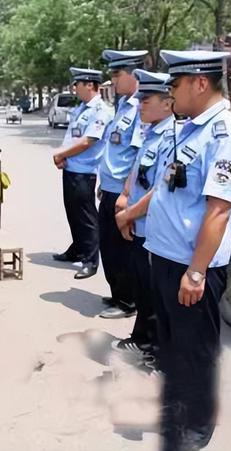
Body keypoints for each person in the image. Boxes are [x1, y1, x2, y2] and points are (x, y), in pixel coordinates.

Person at [144, 50, 231, 450]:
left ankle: (196, 429)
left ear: (200, 83)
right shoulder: (189, 128)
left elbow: (218, 211)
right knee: (173, 346)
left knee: (196, 352)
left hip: (192, 267)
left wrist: (196, 271)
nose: (170, 93)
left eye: (175, 85)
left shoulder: (225, 135)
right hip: (167, 259)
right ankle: (177, 411)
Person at [112, 69, 174, 358]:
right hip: (139, 225)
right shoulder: (151, 132)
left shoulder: (172, 138)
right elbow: (137, 173)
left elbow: (159, 191)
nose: (140, 105)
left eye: (146, 99)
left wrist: (128, 215)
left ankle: (154, 348)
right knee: (142, 287)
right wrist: (124, 198)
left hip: (154, 230)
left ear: (167, 103)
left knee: (153, 293)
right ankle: (142, 337)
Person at [96, 49, 148, 319]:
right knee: (108, 246)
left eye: (117, 74)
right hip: (110, 188)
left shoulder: (141, 107)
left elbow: (138, 157)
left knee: (121, 250)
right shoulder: (124, 105)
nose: (113, 80)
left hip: (122, 194)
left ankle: (127, 301)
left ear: (134, 74)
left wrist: (126, 194)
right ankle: (118, 293)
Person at [52, 68, 114, 279]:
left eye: (77, 84)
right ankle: (77, 249)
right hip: (72, 168)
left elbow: (88, 141)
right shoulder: (81, 109)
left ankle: (90, 259)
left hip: (85, 172)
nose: (74, 88)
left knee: (86, 217)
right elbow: (73, 136)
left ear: (90, 85)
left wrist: (62, 154)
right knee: (73, 213)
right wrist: (64, 157)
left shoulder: (100, 111)